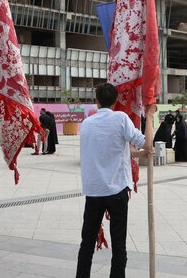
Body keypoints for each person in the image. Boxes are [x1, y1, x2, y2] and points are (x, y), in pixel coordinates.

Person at [76, 83, 155, 278]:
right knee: (119, 244)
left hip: (94, 191)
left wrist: (135, 153)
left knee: (87, 243)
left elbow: (106, 152)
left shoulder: (86, 124)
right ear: (115, 101)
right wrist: (150, 116)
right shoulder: (120, 118)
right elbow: (145, 142)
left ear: (96, 100)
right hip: (117, 191)